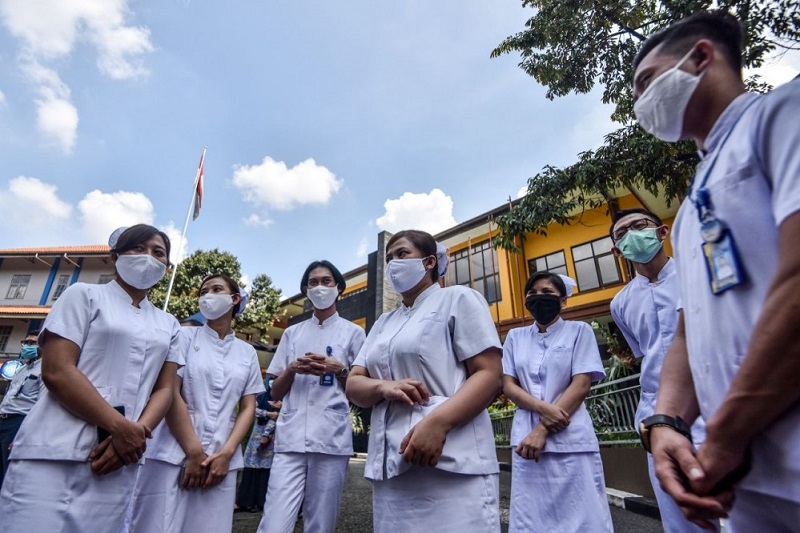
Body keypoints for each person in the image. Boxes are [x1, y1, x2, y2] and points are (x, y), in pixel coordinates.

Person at [632, 10, 800, 530]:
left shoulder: (783, 114)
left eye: (646, 83)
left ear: (701, 56)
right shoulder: (687, 211)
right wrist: (667, 424)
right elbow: (690, 327)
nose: (640, 104)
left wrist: (726, 433)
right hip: (742, 478)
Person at [0, 224, 183, 532]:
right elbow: (57, 370)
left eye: (158, 252)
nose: (148, 257)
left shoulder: (169, 324)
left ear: (166, 267)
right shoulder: (82, 295)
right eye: (138, 248)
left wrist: (137, 434)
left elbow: (165, 389)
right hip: (53, 451)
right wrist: (119, 426)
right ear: (115, 257)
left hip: (118, 459)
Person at [346, 230, 504, 533]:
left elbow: (489, 374)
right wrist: (383, 387)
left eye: (402, 254)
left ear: (430, 261)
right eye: (389, 258)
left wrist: (437, 424)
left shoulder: (459, 298)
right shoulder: (383, 322)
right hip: (393, 463)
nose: (393, 263)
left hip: (449, 459)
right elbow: (354, 384)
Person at [125, 273, 265, 533]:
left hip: (221, 461)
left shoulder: (247, 352)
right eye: (203, 292)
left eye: (216, 289)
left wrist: (226, 453)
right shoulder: (183, 337)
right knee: (155, 525)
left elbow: (248, 407)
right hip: (171, 452)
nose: (208, 295)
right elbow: (170, 392)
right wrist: (193, 451)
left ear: (234, 299)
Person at [609, 208, 717, 532]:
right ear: (617, 250)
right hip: (657, 413)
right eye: (622, 234)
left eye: (639, 226)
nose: (631, 234)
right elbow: (645, 354)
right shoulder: (620, 304)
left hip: (711, 400)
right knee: (681, 517)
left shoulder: (696, 272)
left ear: (662, 231)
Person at [257, 260, 366, 533]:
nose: (319, 287)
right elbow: (275, 391)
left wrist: (338, 369)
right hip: (291, 438)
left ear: (339, 287)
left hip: (330, 438)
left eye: (326, 281)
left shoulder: (354, 333)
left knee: (320, 523)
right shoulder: (292, 333)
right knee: (274, 522)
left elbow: (360, 389)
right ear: (305, 290)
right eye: (313, 282)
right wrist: (292, 369)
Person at [501, 271, 612, 533]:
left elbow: (581, 383)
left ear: (563, 300)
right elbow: (508, 386)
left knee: (584, 517)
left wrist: (541, 429)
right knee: (531, 520)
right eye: (533, 293)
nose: (539, 297)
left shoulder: (579, 331)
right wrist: (543, 410)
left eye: (548, 293)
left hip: (570, 438)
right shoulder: (515, 338)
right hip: (526, 446)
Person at [0, 330, 44, 489]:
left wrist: (25, 433)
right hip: (3, 420)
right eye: (25, 343)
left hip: (19, 422)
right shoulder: (21, 369)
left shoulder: (45, 369)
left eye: (32, 343)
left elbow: (42, 404)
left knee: (10, 471)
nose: (26, 346)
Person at [235, 385, 281, 513]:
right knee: (251, 468)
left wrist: (266, 434)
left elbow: (277, 417)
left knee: (265, 471)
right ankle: (246, 501)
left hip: (271, 438)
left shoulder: (282, 399)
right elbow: (252, 409)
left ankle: (261, 501)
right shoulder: (261, 397)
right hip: (256, 434)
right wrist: (268, 413)